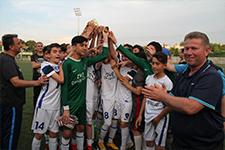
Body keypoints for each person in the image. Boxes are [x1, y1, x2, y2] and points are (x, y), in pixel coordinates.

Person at [142, 31, 224, 150]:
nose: (188, 52)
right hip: (180, 141)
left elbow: (191, 107)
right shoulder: (185, 73)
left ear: (207, 51)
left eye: (194, 48)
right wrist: (164, 96)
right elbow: (173, 100)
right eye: (186, 49)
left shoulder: (211, 76)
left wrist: (163, 97)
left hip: (203, 144)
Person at [60, 35, 108, 150]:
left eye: (86, 45)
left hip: (82, 103)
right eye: (82, 45)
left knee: (81, 128)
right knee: (67, 133)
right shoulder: (67, 64)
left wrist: (105, 38)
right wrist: (66, 108)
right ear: (73, 47)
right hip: (70, 104)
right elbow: (64, 87)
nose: (85, 48)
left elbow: (105, 55)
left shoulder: (85, 61)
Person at [0, 34, 48, 150]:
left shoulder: (7, 59)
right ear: (11, 47)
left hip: (8, 103)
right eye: (18, 43)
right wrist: (37, 82)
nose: (21, 45)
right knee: (11, 135)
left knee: (5, 134)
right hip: (11, 105)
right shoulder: (6, 60)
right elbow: (16, 82)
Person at [136, 52, 173, 150]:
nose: (154, 66)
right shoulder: (149, 78)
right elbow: (145, 97)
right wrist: (140, 115)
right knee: (149, 142)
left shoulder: (167, 82)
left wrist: (159, 117)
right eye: (153, 63)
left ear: (164, 65)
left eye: (158, 64)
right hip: (148, 115)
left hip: (160, 116)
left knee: (160, 146)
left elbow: (169, 104)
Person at [31, 43, 64, 150]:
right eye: (55, 52)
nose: (58, 54)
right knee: (39, 134)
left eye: (59, 52)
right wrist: (61, 67)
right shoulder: (45, 65)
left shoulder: (59, 64)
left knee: (53, 134)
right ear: (47, 55)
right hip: (44, 105)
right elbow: (61, 80)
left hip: (56, 106)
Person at [31, 42, 44, 108]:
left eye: (41, 46)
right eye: (38, 46)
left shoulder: (46, 55)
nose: (40, 47)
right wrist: (45, 63)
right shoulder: (33, 56)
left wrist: (38, 64)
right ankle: (35, 108)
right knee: (36, 94)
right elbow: (34, 66)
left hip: (45, 77)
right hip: (36, 77)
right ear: (36, 47)